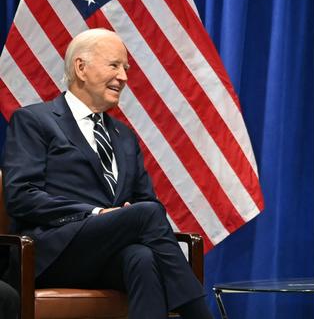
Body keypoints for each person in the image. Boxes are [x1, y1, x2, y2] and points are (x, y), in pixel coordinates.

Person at [1, 28, 213, 319]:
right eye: (114, 65)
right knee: (147, 214)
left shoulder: (124, 136)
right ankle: (199, 313)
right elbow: (21, 195)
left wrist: (123, 216)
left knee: (142, 258)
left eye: (125, 68)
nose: (124, 77)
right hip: (50, 252)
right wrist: (96, 213)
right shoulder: (34, 121)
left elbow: (146, 200)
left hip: (106, 256)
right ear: (81, 68)